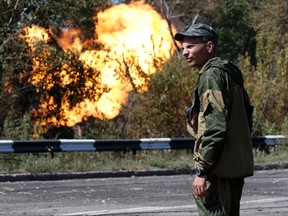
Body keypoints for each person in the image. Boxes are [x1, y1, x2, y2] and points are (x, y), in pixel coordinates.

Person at [174, 23, 254, 216]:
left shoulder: (211, 76)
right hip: (233, 167)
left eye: (191, 46)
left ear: (209, 47)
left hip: (217, 173)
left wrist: (202, 171)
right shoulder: (229, 74)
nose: (185, 52)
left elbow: (216, 127)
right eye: (183, 47)